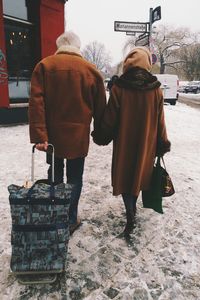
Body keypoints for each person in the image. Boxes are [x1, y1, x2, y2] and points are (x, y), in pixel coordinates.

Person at [29, 31, 107, 235]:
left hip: (52, 138)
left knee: (54, 175)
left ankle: (55, 214)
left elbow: (36, 102)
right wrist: (100, 134)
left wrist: (40, 136)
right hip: (78, 137)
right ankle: (70, 218)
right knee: (74, 178)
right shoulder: (91, 71)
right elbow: (101, 107)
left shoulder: (45, 66)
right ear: (77, 47)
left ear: (59, 45)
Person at [92, 46, 171, 235]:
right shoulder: (156, 90)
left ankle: (130, 211)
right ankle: (132, 210)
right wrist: (162, 142)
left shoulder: (120, 87)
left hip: (124, 143)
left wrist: (102, 134)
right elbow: (161, 120)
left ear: (127, 63)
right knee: (137, 177)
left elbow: (110, 118)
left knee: (125, 175)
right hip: (147, 145)